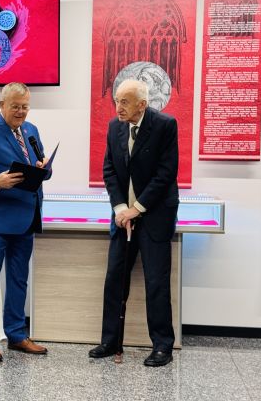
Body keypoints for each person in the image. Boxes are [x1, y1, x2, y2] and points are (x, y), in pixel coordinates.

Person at [88, 79, 179, 367]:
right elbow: (109, 170)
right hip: (122, 218)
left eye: (125, 102)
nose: (118, 107)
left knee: (156, 282)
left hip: (154, 216)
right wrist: (120, 208)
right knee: (114, 279)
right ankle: (110, 340)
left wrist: (136, 209)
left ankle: (162, 346)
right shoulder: (114, 127)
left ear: (142, 104)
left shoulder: (165, 125)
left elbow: (165, 174)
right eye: (117, 100)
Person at [0, 82, 51, 361]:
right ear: (2, 105)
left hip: (27, 217)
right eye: (15, 106)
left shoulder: (31, 130)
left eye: (25, 106)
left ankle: (16, 334)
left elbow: (41, 168)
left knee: (18, 280)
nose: (21, 112)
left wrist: (44, 168)